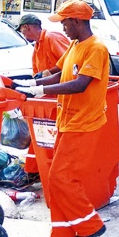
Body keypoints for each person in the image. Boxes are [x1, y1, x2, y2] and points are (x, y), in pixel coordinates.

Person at [13, 0, 109, 237]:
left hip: (84, 124)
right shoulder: (77, 45)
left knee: (61, 178)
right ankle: (61, 235)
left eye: (65, 22)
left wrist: (37, 90)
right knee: (56, 180)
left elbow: (79, 84)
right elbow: (60, 73)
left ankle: (90, 225)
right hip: (68, 120)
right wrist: (28, 83)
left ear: (77, 21)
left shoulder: (96, 48)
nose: (63, 28)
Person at [16, 14, 70, 177]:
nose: (24, 35)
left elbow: (69, 64)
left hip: (60, 97)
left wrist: (45, 77)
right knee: (42, 136)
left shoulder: (52, 38)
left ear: (27, 28)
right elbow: (38, 75)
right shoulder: (38, 45)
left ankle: (37, 170)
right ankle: (34, 169)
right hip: (49, 98)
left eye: (23, 32)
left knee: (48, 136)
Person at [17, 14, 70, 79]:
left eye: (21, 30)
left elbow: (69, 62)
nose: (22, 33)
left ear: (26, 27)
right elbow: (36, 73)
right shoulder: (37, 46)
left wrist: (48, 73)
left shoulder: (52, 38)